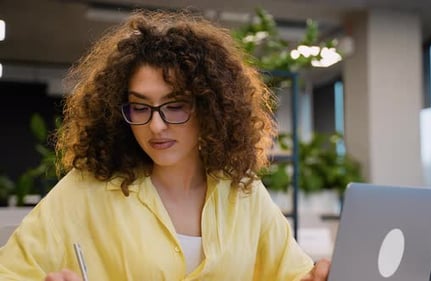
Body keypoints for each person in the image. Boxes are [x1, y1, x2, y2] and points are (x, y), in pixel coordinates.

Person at [0, 9, 330, 280]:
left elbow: (291, 272)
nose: (156, 125)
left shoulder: (242, 192)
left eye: (175, 106)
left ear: (209, 107)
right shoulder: (84, 191)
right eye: (140, 107)